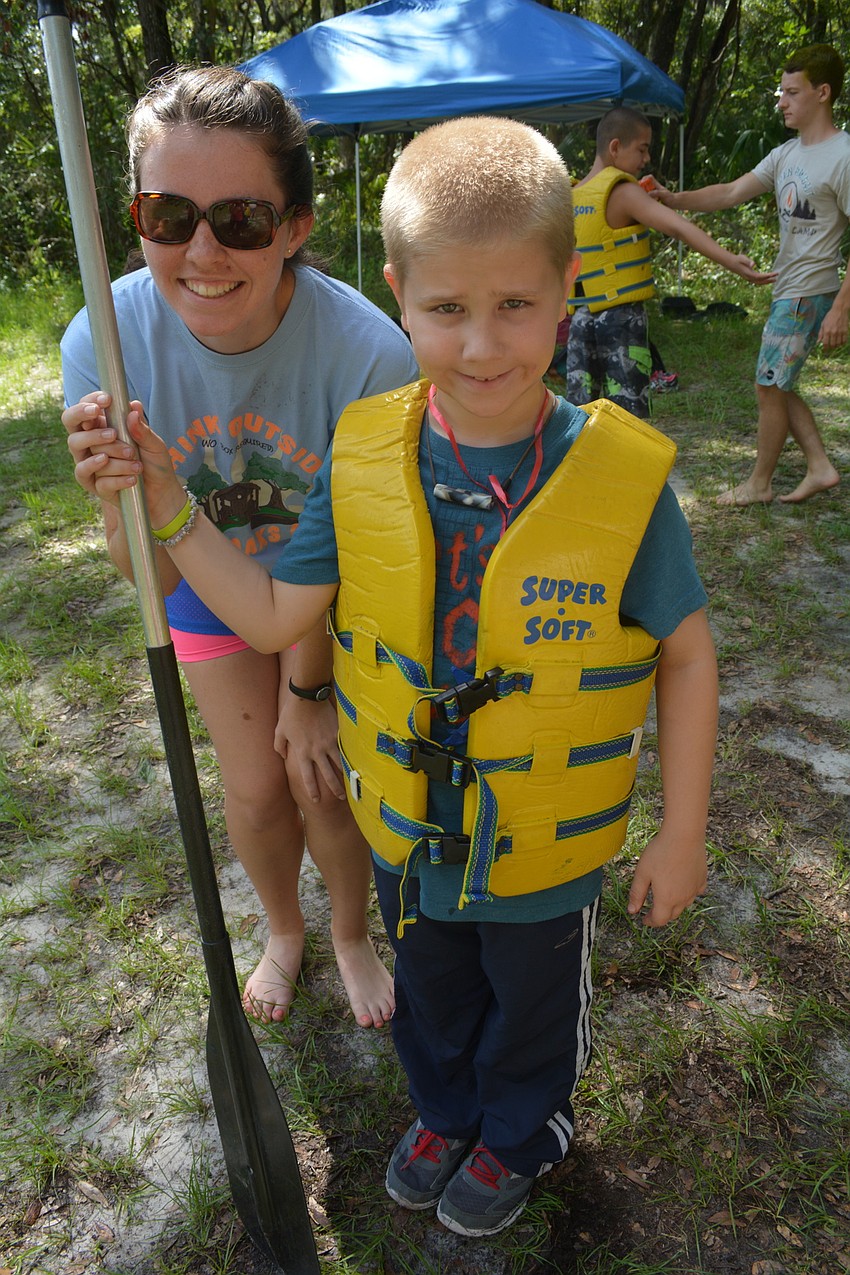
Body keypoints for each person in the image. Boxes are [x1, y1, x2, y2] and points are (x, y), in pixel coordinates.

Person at [78, 115, 718, 1238]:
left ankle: (522, 1129)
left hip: (542, 841)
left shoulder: (621, 482)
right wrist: (169, 504)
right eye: (446, 311)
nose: (480, 346)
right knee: (430, 989)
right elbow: (271, 614)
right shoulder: (363, 456)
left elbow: (687, 650)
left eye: (515, 306)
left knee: (525, 1006)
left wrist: (681, 830)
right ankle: (444, 1108)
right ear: (399, 295)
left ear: (566, 291)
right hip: (409, 822)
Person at [61, 66, 418, 1027]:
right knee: (259, 793)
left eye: (242, 221)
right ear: (137, 217)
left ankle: (349, 932)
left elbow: (343, 563)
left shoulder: (371, 356)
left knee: (325, 782)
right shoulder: (104, 339)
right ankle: (283, 929)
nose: (203, 250)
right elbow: (151, 573)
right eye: (169, 215)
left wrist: (307, 693)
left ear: (295, 228)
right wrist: (118, 498)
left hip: (332, 593)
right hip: (201, 584)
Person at [654, 44, 848, 505]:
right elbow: (729, 192)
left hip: (811, 291)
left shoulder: (843, 155)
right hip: (791, 289)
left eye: (792, 92)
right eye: (781, 92)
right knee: (776, 382)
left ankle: (759, 483)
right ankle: (819, 467)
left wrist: (841, 308)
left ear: (823, 93)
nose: (781, 101)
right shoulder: (786, 155)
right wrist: (673, 200)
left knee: (767, 385)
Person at [566, 106, 775, 418]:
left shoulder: (571, 194)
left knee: (580, 414)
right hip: (621, 320)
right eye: (642, 148)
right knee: (627, 418)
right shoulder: (623, 191)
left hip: (580, 321)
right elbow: (679, 227)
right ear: (615, 147)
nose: (646, 159)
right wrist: (731, 261)